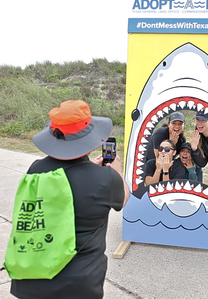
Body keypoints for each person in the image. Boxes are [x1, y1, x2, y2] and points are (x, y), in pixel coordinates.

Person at [10, 100, 129, 299]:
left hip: (32, 276)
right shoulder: (104, 179)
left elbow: (65, 179)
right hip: (78, 285)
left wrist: (87, 167)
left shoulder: (35, 169)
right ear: (89, 139)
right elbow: (123, 198)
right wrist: (116, 172)